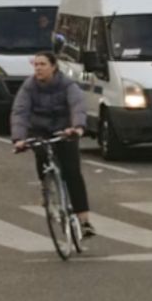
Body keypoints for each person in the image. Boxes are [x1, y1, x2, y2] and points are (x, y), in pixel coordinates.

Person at [10, 51, 94, 238]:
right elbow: (20, 112)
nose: (38, 68)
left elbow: (77, 105)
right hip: (40, 129)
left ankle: (84, 220)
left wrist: (77, 128)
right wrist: (19, 139)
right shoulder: (29, 86)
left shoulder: (67, 85)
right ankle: (46, 186)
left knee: (72, 172)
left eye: (43, 64)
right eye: (36, 65)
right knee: (41, 151)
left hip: (64, 129)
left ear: (54, 67)